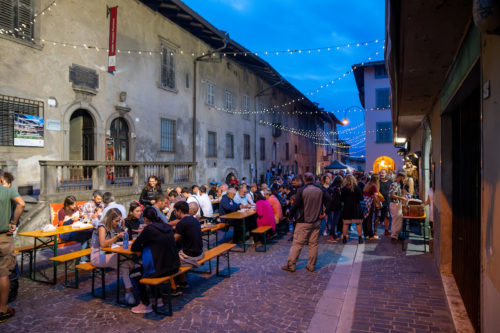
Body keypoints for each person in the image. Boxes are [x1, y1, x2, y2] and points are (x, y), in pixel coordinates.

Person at [130, 207, 180, 314]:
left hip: (161, 269)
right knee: (148, 268)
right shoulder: (166, 226)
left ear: (145, 218)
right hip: (174, 266)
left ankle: (145, 303)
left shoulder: (149, 229)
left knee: (135, 273)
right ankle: (158, 299)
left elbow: (134, 247)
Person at [282, 172, 331, 273]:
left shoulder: (301, 190)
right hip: (316, 221)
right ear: (313, 179)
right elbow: (331, 200)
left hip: (303, 222)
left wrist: (290, 216)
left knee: (297, 244)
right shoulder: (320, 189)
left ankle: (291, 265)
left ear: (304, 180)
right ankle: (311, 265)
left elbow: (295, 206)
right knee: (313, 244)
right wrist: (325, 212)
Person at [91, 208, 135, 304]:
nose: (117, 223)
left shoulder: (114, 226)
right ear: (110, 219)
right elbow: (103, 244)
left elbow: (125, 236)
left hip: (107, 254)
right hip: (97, 256)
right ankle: (131, 289)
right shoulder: (102, 227)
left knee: (124, 265)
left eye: (119, 221)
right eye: (116, 221)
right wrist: (116, 236)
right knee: (126, 261)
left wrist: (123, 227)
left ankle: (129, 292)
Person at [0, 170, 25, 322]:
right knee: (3, 274)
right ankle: (2, 309)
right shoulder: (8, 191)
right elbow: (21, 204)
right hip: (3, 237)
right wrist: (13, 223)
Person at [173, 201, 204, 267]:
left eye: (175, 211)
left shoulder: (181, 223)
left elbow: (173, 240)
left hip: (190, 256)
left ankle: (180, 276)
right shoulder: (195, 220)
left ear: (180, 211)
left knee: (171, 258)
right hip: (200, 253)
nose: (174, 213)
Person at [340, 175, 364, 244]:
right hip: (356, 207)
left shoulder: (344, 188)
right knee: (358, 223)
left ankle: (344, 239)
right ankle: (360, 238)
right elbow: (361, 198)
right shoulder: (357, 188)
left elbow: (342, 199)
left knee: (345, 224)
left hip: (347, 207)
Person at [390, 171, 408, 241]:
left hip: (398, 204)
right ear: (401, 177)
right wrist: (401, 198)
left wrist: (402, 196)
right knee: (395, 220)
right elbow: (391, 195)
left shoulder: (399, 184)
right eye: (403, 178)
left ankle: (397, 235)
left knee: (399, 220)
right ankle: (394, 236)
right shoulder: (394, 184)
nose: (404, 180)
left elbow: (396, 194)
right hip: (394, 204)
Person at [362, 174, 381, 240]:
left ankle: (365, 234)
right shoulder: (374, 186)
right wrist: (379, 203)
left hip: (365, 202)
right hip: (370, 203)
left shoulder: (368, 184)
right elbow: (376, 196)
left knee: (365, 219)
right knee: (369, 219)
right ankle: (370, 235)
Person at [327, 176, 343, 242]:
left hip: (331, 207)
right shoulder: (337, 189)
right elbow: (339, 198)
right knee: (334, 222)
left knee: (332, 221)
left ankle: (332, 234)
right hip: (336, 207)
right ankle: (331, 236)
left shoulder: (330, 188)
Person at [378, 169, 393, 236]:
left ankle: (387, 230)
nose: (381, 174)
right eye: (380, 173)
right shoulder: (378, 182)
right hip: (380, 201)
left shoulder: (390, 182)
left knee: (388, 216)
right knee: (379, 216)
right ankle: (375, 231)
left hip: (389, 201)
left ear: (386, 174)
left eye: (383, 173)